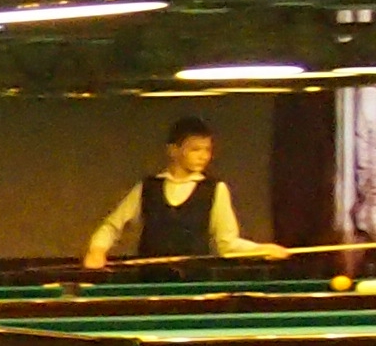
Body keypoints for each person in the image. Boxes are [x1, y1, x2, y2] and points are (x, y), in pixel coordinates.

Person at [85, 115, 289, 271]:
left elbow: (227, 244)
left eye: (207, 150)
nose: (204, 156)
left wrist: (262, 250)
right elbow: (112, 226)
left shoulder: (215, 189)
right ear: (173, 151)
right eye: (195, 149)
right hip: (149, 282)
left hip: (195, 283)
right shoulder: (148, 187)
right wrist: (97, 250)